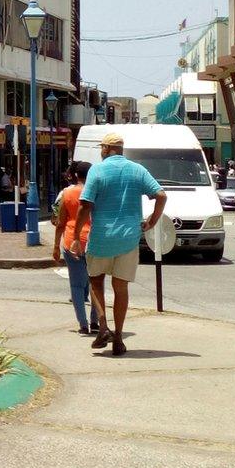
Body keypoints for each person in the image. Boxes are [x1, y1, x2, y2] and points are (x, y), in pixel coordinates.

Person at [70, 133, 167, 357]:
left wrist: (76, 236)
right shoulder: (137, 170)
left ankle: (103, 326)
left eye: (101, 148)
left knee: (95, 281)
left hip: (101, 237)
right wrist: (152, 221)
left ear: (105, 149)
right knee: (121, 288)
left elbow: (85, 205)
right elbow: (161, 195)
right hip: (128, 238)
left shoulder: (97, 170)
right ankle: (119, 338)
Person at [53, 161, 98, 335]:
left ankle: (83, 324)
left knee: (76, 285)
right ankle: (96, 320)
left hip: (72, 241)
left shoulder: (67, 193)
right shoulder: (95, 191)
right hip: (94, 240)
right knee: (95, 282)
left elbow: (60, 222)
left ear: (75, 175)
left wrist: (56, 246)